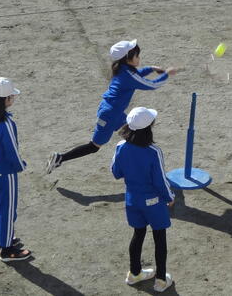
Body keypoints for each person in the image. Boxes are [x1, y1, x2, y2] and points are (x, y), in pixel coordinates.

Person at [46, 40, 178, 174]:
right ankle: (60, 158)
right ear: (127, 58)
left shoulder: (122, 68)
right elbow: (151, 85)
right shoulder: (128, 75)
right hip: (110, 115)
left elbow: (137, 75)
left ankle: (143, 160)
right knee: (94, 146)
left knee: (135, 131)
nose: (139, 58)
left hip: (113, 111)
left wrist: (151, 69)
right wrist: (166, 74)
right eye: (137, 56)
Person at [112, 107, 175, 292]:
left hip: (132, 199)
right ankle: (161, 280)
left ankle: (134, 274)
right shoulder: (153, 151)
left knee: (138, 234)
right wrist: (170, 197)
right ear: (149, 128)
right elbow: (160, 180)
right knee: (159, 238)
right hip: (153, 202)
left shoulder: (120, 147)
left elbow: (116, 172)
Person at [0, 77, 31, 262]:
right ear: (5, 100)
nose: (13, 98)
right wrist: (20, 165)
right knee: (8, 209)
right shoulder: (6, 124)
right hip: (6, 172)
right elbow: (12, 150)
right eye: (12, 96)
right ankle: (7, 249)